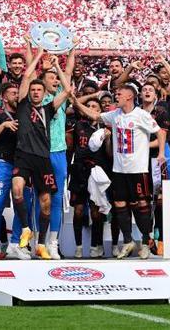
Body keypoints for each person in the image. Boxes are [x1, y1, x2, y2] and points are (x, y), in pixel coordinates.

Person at [77, 83, 163, 259]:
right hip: (119, 170)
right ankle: (128, 240)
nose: (116, 96)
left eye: (119, 94)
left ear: (129, 96)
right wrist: (75, 102)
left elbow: (160, 132)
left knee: (141, 205)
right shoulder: (115, 115)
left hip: (138, 169)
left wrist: (161, 153)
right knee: (119, 205)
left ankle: (146, 242)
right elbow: (95, 115)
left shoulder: (141, 115)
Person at [12, 49, 71, 260]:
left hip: (43, 159)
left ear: (44, 93)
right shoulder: (22, 105)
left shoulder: (48, 109)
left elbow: (67, 90)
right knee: (17, 190)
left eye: (39, 90)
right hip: (23, 156)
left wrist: (56, 67)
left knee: (46, 202)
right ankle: (26, 229)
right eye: (33, 90)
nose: (36, 92)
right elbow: (27, 75)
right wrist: (38, 55)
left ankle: (41, 244)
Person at [0, 82, 29, 260]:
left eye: (17, 93)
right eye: (12, 93)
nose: (16, 96)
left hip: (22, 164)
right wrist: (4, 125)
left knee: (22, 204)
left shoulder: (23, 114)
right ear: (3, 97)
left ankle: (15, 244)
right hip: (3, 163)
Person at [69, 97, 108, 258]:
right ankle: (78, 247)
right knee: (78, 211)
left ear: (100, 111)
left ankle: (95, 246)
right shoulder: (78, 125)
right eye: (88, 106)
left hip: (96, 171)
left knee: (96, 211)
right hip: (78, 170)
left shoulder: (105, 128)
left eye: (94, 106)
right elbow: (71, 147)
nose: (91, 108)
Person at [141, 82, 170, 256]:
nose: (147, 92)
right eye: (144, 90)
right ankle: (147, 238)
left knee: (160, 200)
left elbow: (162, 136)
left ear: (155, 95)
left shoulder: (161, 112)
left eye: (150, 90)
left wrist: (142, 145)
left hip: (157, 159)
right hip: (139, 161)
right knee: (143, 200)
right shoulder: (135, 112)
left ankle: (162, 240)